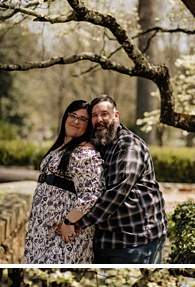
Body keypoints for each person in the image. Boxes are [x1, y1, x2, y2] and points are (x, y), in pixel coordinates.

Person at [56, 94, 168, 263]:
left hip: (135, 241)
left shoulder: (128, 146)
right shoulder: (101, 144)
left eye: (104, 114)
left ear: (116, 115)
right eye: (94, 116)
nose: (99, 119)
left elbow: (116, 193)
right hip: (107, 239)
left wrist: (76, 223)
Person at [22, 99, 104, 263]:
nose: (75, 121)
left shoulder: (85, 153)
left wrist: (69, 221)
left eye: (82, 119)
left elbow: (91, 194)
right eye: (73, 115)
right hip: (42, 230)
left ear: (88, 126)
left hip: (63, 236)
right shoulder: (61, 146)